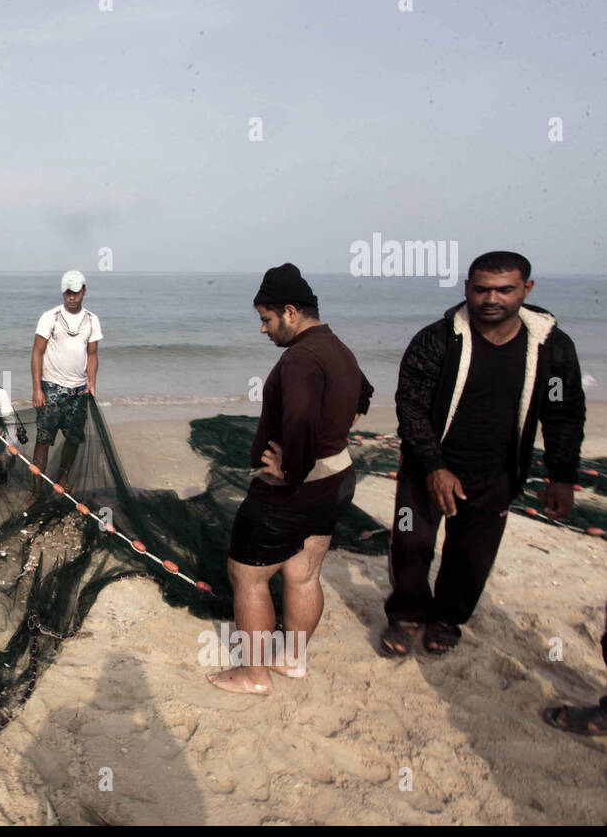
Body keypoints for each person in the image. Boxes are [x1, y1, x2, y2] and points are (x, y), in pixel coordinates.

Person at [382, 251, 584, 656]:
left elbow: (562, 412)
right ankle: (405, 615)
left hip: (497, 472)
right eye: (482, 289)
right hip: (427, 466)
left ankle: (446, 619)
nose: (492, 298)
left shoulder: (552, 348)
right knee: (409, 542)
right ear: (467, 289)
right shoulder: (437, 339)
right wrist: (434, 466)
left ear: (526, 289)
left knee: (472, 557)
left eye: (505, 290)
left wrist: (561, 476)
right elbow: (411, 405)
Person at [210, 263, 372, 695]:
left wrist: (291, 471)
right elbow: (365, 393)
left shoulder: (299, 358)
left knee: (249, 577)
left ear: (290, 312)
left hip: (293, 491)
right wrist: (332, 434)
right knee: (302, 573)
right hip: (337, 477)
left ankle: (254, 674)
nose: (263, 330)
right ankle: (292, 660)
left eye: (266, 320)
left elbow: (299, 416)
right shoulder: (337, 347)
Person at [31, 270, 101, 494]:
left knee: (73, 439)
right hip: (51, 388)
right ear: (63, 292)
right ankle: (37, 489)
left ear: (84, 291)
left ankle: (62, 479)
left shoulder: (92, 320)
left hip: (79, 391)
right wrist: (37, 389)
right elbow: (37, 353)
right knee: (43, 440)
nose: (72, 297)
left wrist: (92, 382)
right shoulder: (49, 317)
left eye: (76, 292)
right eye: (68, 292)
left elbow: (92, 354)